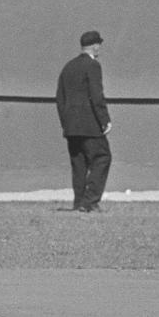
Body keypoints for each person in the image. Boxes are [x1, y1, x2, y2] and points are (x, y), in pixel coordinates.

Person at [55, 30, 112, 214]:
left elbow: (60, 97)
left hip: (71, 126)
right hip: (89, 125)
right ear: (95, 45)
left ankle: (79, 201)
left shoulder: (68, 67)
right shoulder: (93, 66)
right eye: (99, 45)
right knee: (102, 157)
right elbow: (96, 95)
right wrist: (105, 119)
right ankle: (90, 201)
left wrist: (65, 122)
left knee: (79, 164)